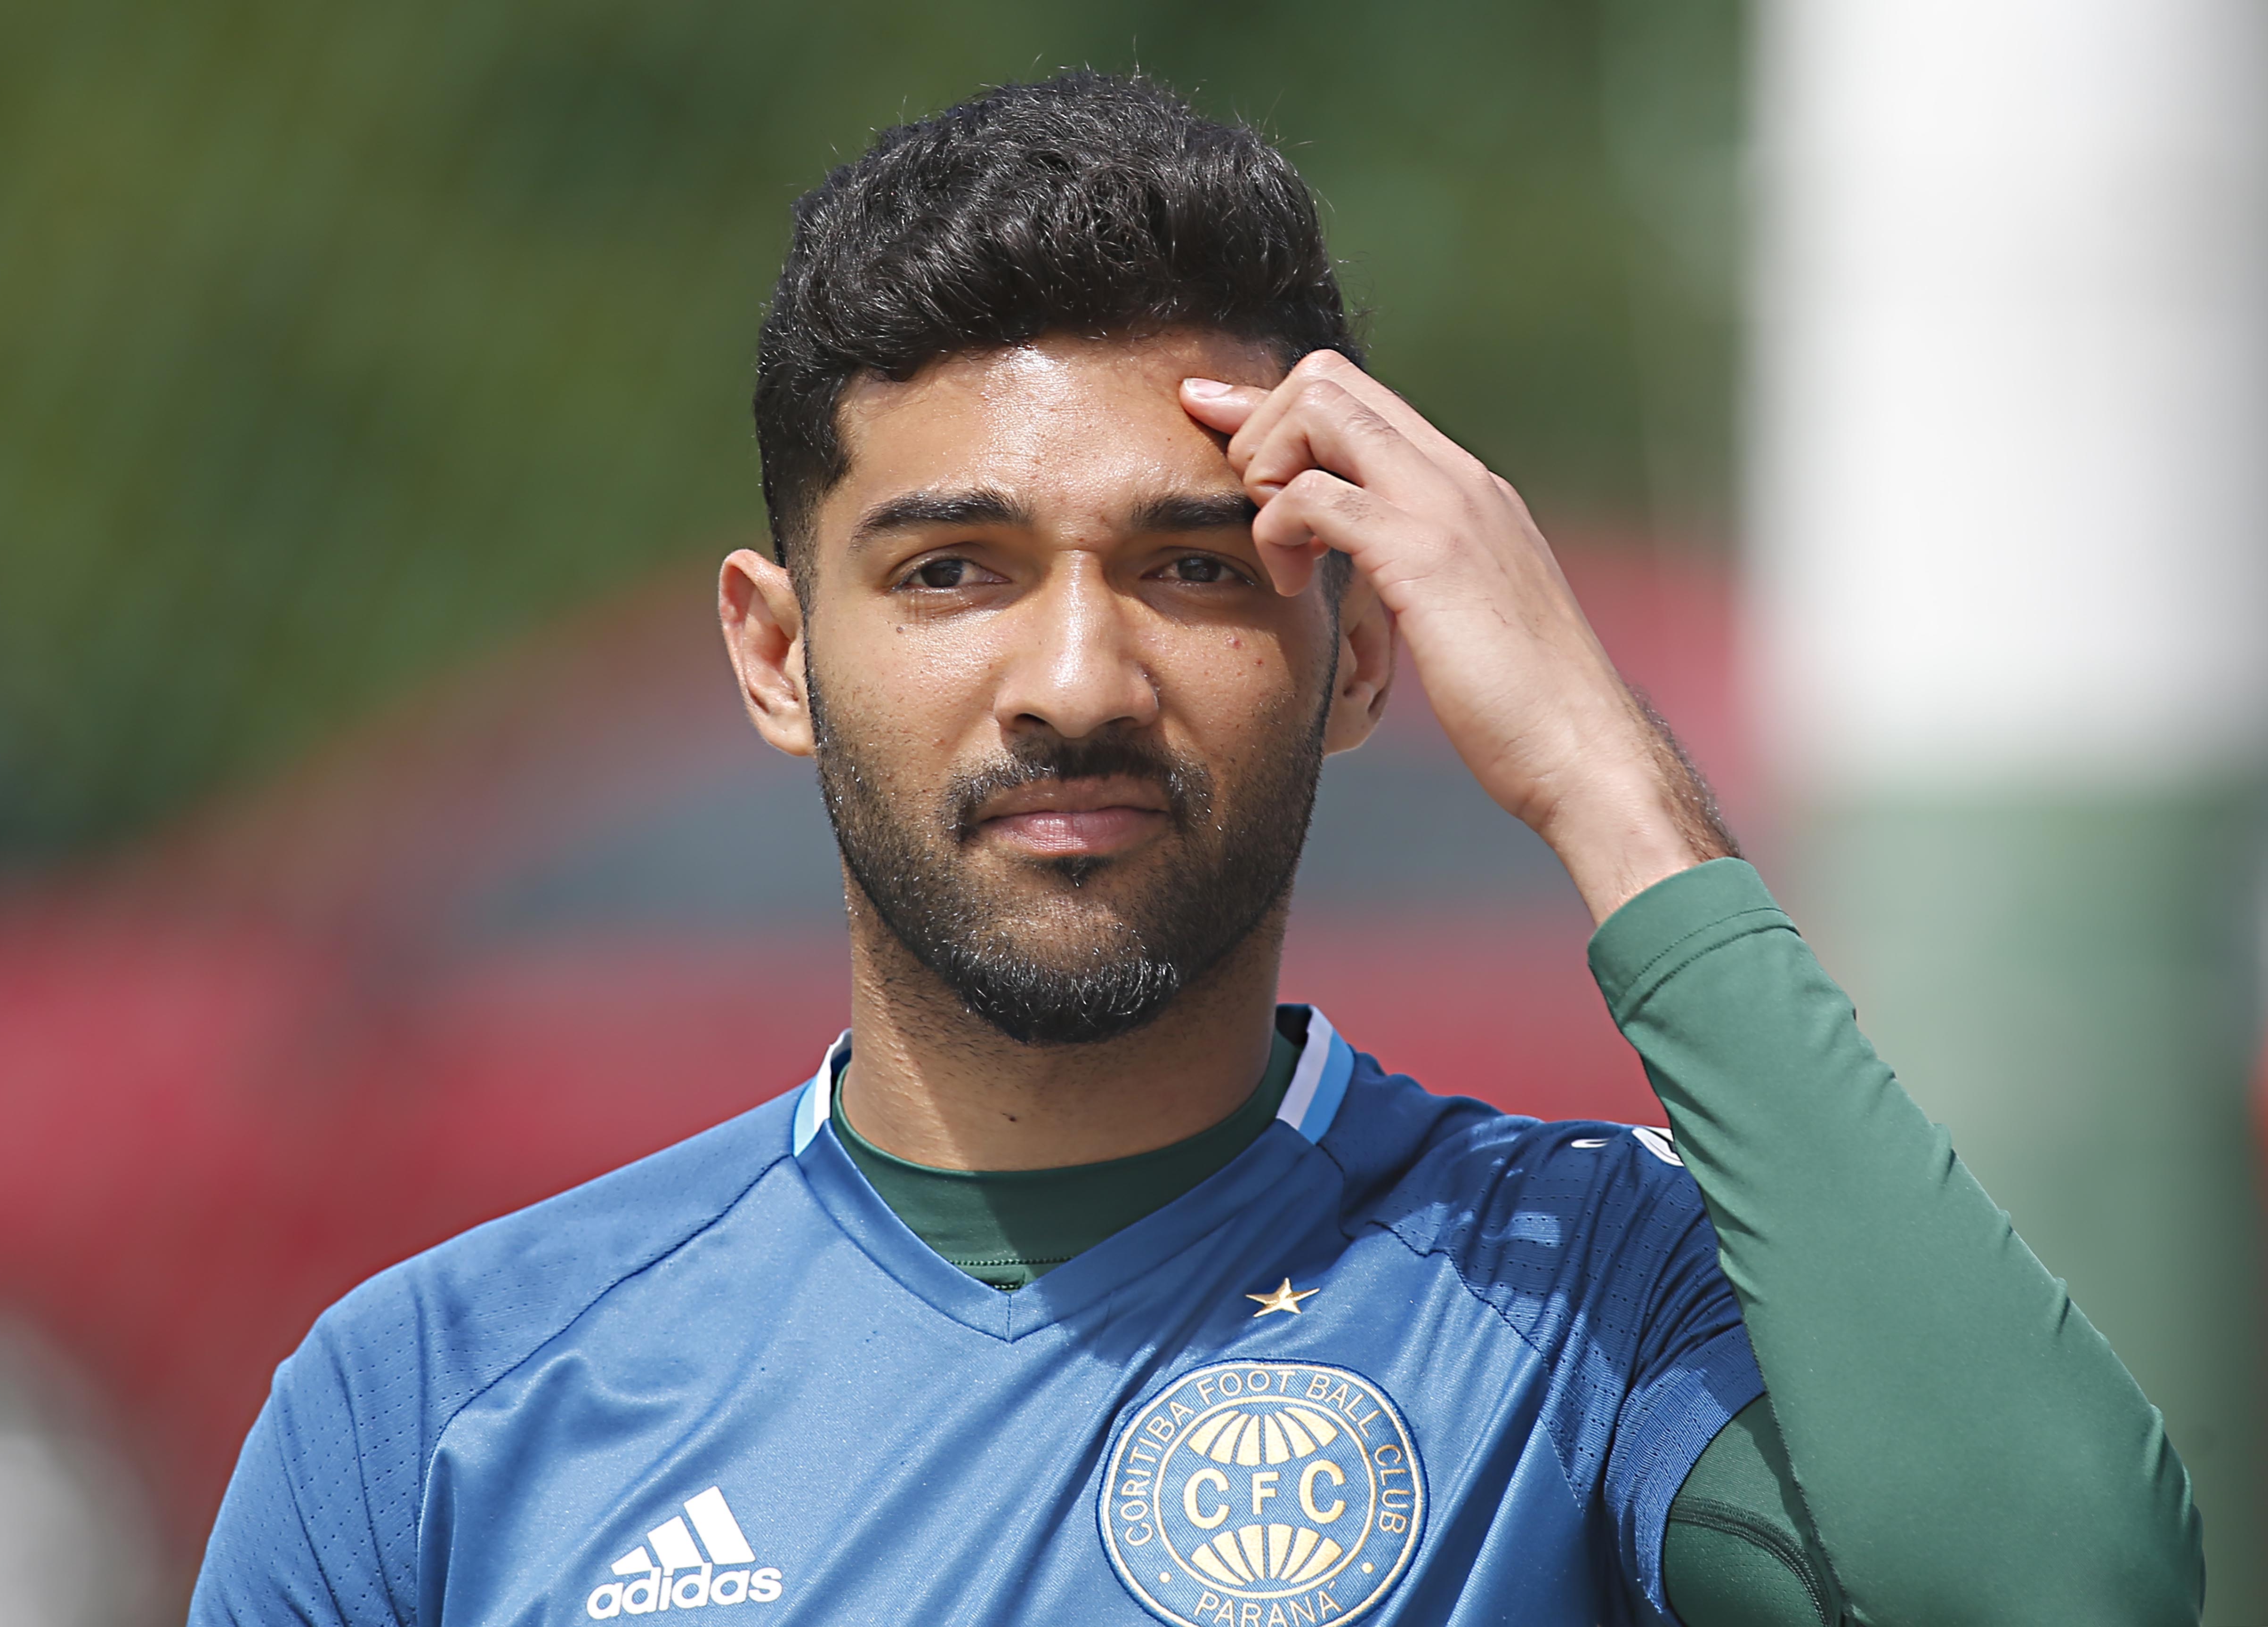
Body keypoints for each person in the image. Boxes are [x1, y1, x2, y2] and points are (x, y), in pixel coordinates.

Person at [189, 73, 2203, 1627]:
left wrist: (1607, 776)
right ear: (780, 654)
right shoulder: (436, 1406)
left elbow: (2064, 1586)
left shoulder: (1589, 1297)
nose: (1077, 679)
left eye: (1193, 566)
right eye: (955, 571)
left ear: (1357, 655)